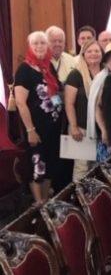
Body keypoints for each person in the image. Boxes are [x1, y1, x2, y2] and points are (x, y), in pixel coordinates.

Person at [14, 31, 64, 204]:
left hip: (54, 127)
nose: (39, 46)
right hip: (37, 129)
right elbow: (21, 103)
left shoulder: (48, 66)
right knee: (38, 165)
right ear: (30, 46)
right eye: (35, 43)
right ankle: (39, 204)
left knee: (51, 164)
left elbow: (55, 93)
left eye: (42, 43)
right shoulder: (24, 69)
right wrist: (30, 130)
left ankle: (47, 201)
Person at [65, 40, 103, 181]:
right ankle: (79, 200)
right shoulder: (75, 74)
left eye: (97, 51)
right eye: (89, 51)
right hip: (81, 128)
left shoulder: (106, 72)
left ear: (101, 53)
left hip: (101, 129)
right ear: (83, 54)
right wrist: (74, 127)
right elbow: (69, 104)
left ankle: (94, 200)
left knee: (97, 166)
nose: (93, 54)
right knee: (82, 167)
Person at [86, 42, 111, 163]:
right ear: (106, 62)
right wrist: (104, 129)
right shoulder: (101, 78)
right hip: (108, 133)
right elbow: (97, 107)